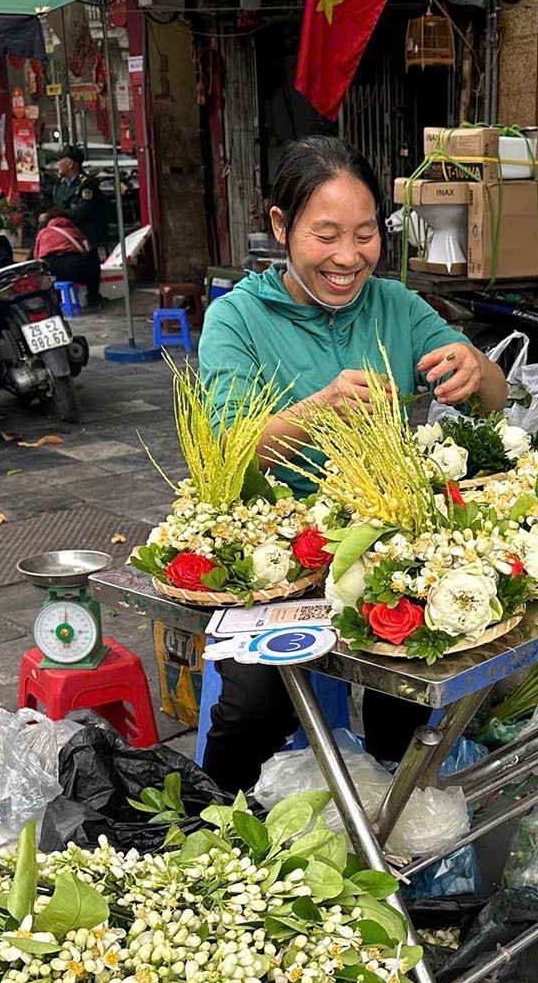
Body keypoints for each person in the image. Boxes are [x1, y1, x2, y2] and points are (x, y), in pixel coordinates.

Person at [195, 134, 509, 793]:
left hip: (386, 543)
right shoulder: (236, 320)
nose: (348, 257)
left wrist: (475, 370)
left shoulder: (397, 307)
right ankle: (211, 818)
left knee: (420, 678)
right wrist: (320, 409)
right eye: (326, 235)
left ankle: (394, 819)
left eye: (365, 235)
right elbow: (228, 448)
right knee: (257, 705)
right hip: (282, 559)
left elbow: (495, 398)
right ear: (280, 225)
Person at [33, 213, 103, 303]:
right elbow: (87, 249)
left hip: (51, 272)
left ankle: (56, 301)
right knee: (93, 258)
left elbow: (36, 256)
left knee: (50, 278)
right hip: (73, 269)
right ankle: (93, 296)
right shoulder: (73, 230)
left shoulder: (42, 233)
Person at [51, 151, 110, 253]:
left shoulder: (86, 185)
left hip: (85, 228)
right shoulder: (60, 184)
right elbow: (57, 204)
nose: (58, 164)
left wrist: (55, 215)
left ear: (70, 164)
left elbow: (79, 214)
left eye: (60, 161)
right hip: (67, 225)